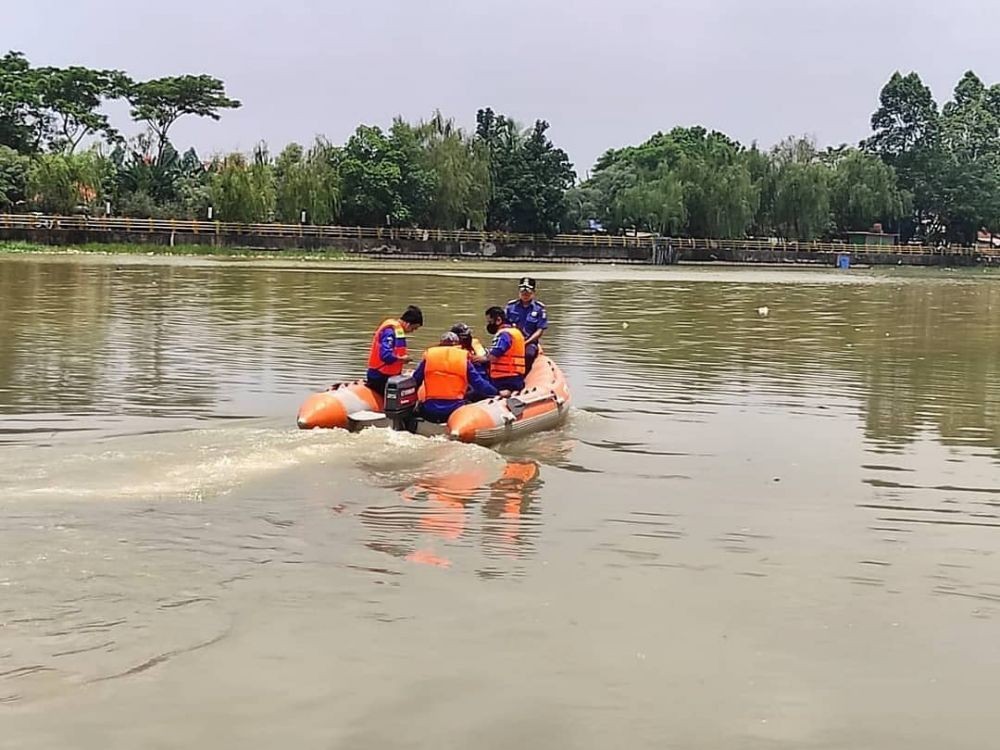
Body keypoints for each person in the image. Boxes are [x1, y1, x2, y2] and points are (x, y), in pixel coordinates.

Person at [412, 332, 500, 423]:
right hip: (455, 410)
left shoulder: (429, 357)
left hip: (430, 411)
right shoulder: (462, 359)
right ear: (458, 344)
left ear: (440, 343)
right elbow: (479, 384)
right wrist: (496, 393)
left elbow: (415, 380)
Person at [365, 305, 423, 395]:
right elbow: (386, 356)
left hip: (389, 376)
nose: (413, 331)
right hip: (379, 377)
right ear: (408, 324)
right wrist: (402, 359)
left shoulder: (396, 331)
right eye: (413, 328)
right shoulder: (390, 332)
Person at [504, 276, 547, 372]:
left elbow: (540, 330)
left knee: (528, 355)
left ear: (533, 293)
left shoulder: (539, 309)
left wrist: (526, 342)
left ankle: (524, 377)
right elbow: (503, 326)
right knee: (497, 353)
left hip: (529, 342)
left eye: (528, 292)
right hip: (510, 342)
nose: (525, 294)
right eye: (522, 292)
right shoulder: (510, 307)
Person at [483, 306, 526, 393]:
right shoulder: (515, 332)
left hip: (504, 379)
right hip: (516, 377)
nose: (489, 325)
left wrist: (479, 358)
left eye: (490, 322)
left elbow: (494, 356)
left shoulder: (504, 335)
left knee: (476, 393)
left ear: (498, 320)